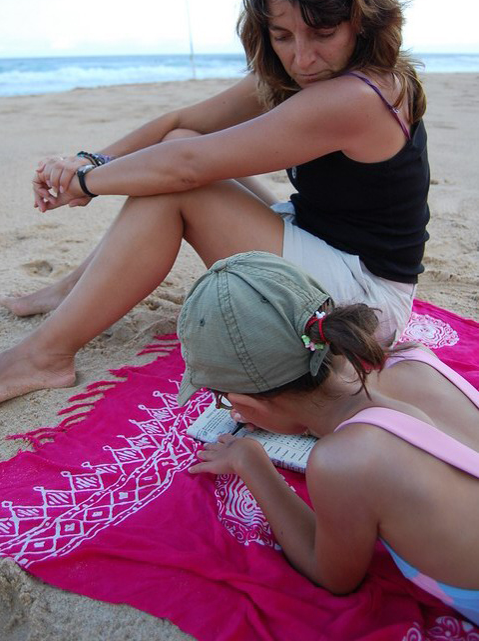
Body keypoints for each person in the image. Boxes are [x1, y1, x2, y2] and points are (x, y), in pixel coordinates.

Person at [0, 0, 429, 405]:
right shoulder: (306, 74)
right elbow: (183, 123)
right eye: (283, 35)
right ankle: (72, 291)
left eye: (322, 31)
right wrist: (88, 159)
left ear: (361, 18)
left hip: (364, 301)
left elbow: (187, 166)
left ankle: (46, 355)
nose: (302, 57)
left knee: (181, 186)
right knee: (179, 142)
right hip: (321, 241)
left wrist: (88, 182)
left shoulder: (359, 96)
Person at [179, 252, 479, 625]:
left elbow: (333, 576)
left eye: (222, 401)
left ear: (243, 404)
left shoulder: (346, 463)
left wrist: (249, 461)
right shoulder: (412, 360)